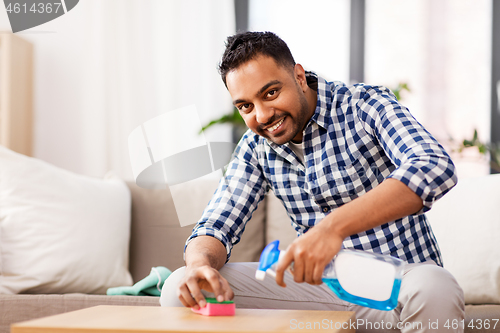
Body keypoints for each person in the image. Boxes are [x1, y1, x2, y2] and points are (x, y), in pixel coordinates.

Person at [160, 31, 465, 332]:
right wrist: (199, 264)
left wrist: (332, 229)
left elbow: (433, 165)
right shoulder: (256, 148)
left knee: (435, 286)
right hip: (319, 292)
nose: (263, 115)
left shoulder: (364, 106)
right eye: (246, 106)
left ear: (300, 76)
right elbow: (215, 225)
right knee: (180, 287)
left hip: (398, 286)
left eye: (270, 93)